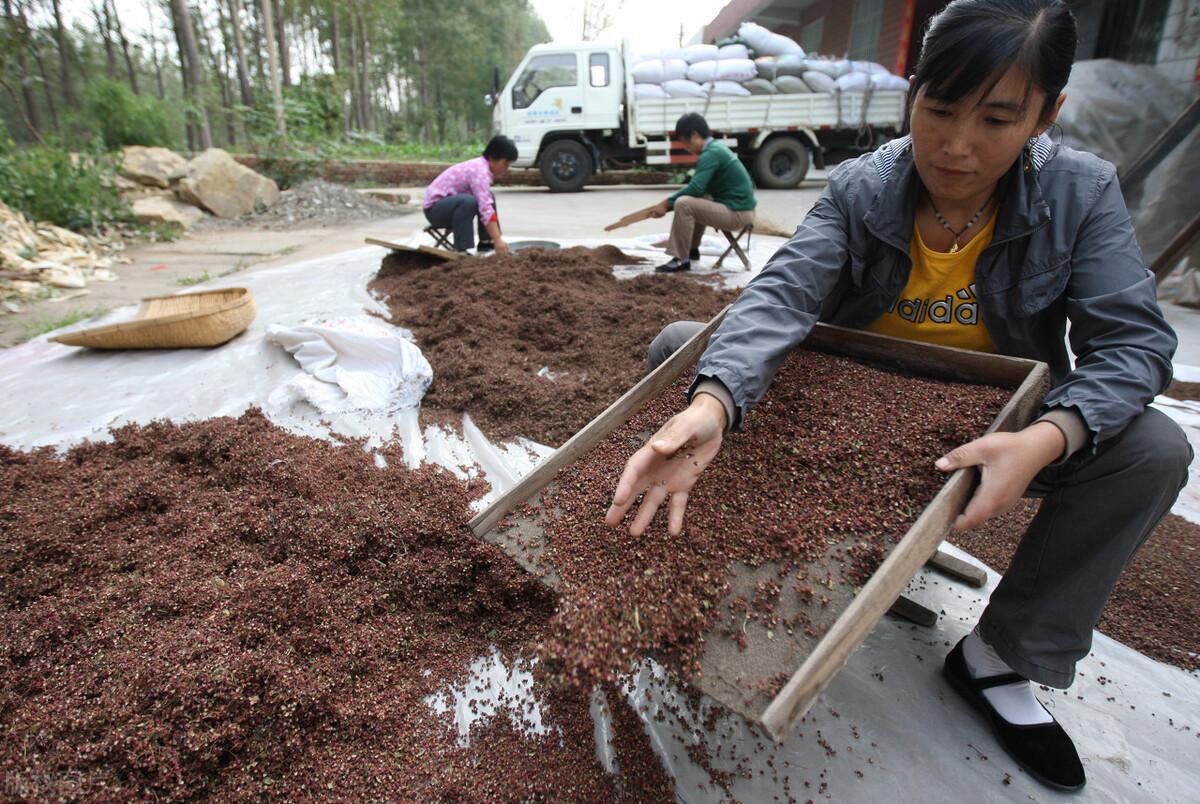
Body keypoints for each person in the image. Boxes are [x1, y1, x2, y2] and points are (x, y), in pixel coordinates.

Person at [604, 0, 1192, 793]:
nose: (956, 144)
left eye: (996, 119)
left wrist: (1046, 437)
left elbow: (1135, 344)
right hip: (849, 403)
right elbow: (780, 296)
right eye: (940, 109)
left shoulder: (1080, 196)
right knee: (685, 351)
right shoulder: (862, 187)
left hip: (996, 425)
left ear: (1047, 114)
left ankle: (996, 659)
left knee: (1152, 449)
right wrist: (711, 406)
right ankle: (725, 559)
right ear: (913, 94)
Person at [651, 113, 757, 273]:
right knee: (698, 199)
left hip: (738, 213)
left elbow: (695, 187)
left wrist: (666, 204)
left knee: (684, 204)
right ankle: (691, 250)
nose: (687, 149)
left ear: (695, 135)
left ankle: (680, 259)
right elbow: (699, 190)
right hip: (739, 210)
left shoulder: (711, 153)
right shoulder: (715, 149)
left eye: (686, 143)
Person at [422, 135, 517, 254]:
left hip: (448, 206)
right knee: (468, 201)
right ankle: (462, 249)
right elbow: (485, 209)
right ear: (493, 157)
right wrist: (498, 239)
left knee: (488, 197)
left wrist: (495, 239)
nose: (506, 169)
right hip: (435, 211)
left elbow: (486, 202)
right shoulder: (480, 171)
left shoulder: (482, 167)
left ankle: (486, 242)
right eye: (505, 164)